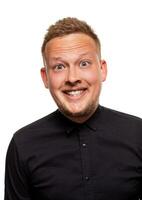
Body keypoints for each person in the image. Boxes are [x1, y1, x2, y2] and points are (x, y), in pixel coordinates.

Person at [4, 17, 142, 200]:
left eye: (84, 63)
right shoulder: (22, 145)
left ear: (102, 70)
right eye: (59, 67)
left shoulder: (138, 134)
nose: (72, 77)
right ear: (45, 77)